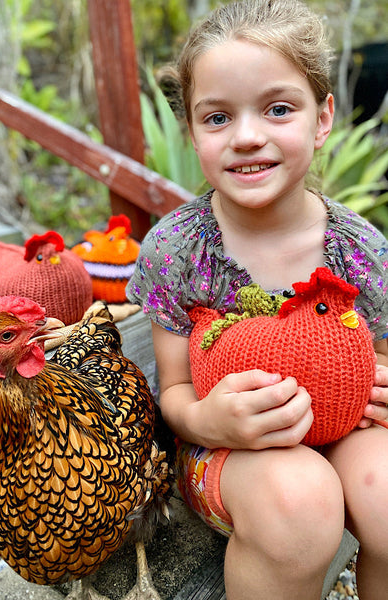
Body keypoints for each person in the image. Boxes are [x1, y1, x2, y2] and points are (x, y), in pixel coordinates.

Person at [126, 1, 388, 598]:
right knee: (299, 501)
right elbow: (174, 392)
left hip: (342, 429)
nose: (247, 137)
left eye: (277, 108)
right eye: (217, 118)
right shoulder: (179, 249)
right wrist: (208, 419)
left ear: (321, 119)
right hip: (227, 451)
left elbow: (377, 364)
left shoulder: (359, 251)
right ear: (191, 131)